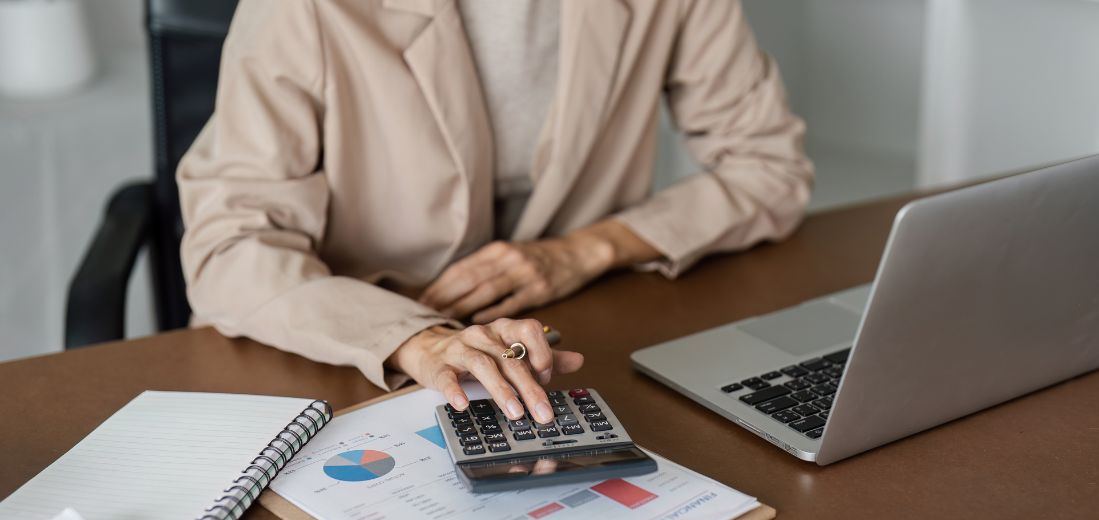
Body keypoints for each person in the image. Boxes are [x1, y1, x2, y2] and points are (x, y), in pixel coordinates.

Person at [178, 0, 813, 427]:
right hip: (348, 361)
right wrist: (414, 339)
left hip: (580, 340)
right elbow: (229, 245)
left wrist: (588, 249)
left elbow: (769, 166)